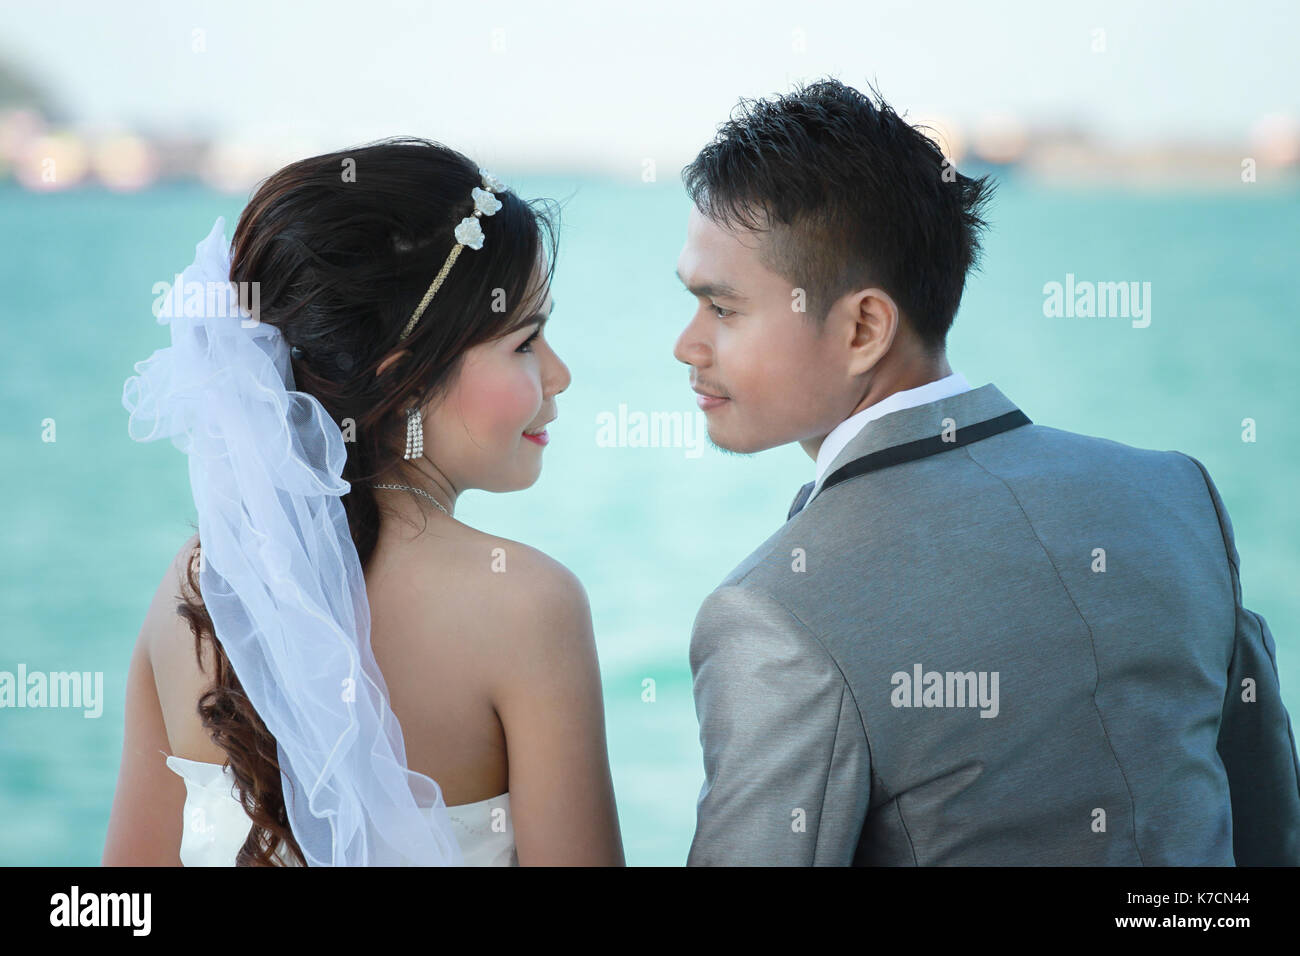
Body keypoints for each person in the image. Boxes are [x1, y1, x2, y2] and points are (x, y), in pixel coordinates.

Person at [675, 78, 1300, 865]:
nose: (687, 344)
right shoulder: (1177, 496)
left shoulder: (773, 611)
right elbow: (1268, 827)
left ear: (865, 326)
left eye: (721, 309)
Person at [103, 138, 624, 866]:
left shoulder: (196, 585)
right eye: (527, 342)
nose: (560, 375)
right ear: (406, 378)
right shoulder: (531, 608)